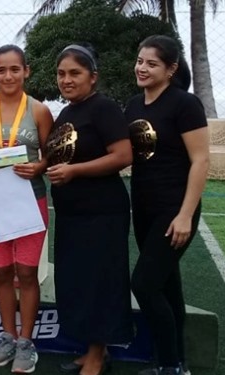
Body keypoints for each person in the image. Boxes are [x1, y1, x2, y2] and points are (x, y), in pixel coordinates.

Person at [45, 44, 133, 375]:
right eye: (61, 73)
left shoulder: (104, 108)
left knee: (101, 283)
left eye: (75, 73)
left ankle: (98, 355)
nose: (66, 80)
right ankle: (91, 350)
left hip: (102, 213)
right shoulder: (68, 113)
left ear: (92, 78)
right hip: (72, 215)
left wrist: (74, 172)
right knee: (79, 282)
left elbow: (123, 156)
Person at [0, 44, 53, 374]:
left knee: (27, 272)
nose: (8, 75)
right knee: (1, 271)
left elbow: (51, 154)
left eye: (15, 69)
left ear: (26, 71)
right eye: (1, 70)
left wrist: (39, 167)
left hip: (31, 198)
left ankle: (27, 342)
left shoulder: (40, 110)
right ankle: (8, 337)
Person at [125, 35, 209, 375]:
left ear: (171, 68)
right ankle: (177, 361)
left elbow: (201, 161)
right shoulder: (133, 104)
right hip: (143, 207)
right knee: (167, 283)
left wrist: (186, 215)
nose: (142, 68)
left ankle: (171, 365)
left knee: (143, 284)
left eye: (152, 63)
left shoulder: (185, 105)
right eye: (140, 61)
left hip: (175, 209)